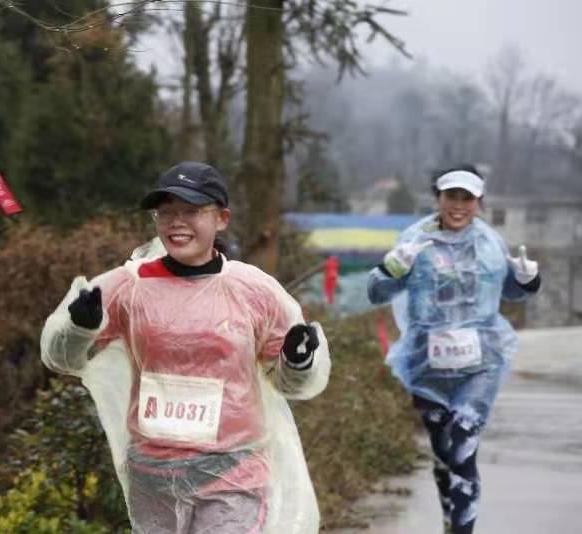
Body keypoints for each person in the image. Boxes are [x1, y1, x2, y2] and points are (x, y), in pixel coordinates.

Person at [41, 161, 332, 533]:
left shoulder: (253, 290)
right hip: (153, 476)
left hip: (232, 471)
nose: (176, 222)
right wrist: (80, 327)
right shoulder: (127, 287)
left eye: (191, 211)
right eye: (165, 212)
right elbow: (63, 359)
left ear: (221, 218)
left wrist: (297, 359)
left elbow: (291, 385)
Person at [367, 165, 541, 534]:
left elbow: (509, 290)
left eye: (468, 198)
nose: (459, 206)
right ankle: (451, 519)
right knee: (444, 450)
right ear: (438, 198)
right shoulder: (416, 239)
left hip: (480, 364)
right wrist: (390, 269)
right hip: (427, 365)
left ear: (479, 202)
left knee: (463, 443)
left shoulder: (489, 242)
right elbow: (377, 292)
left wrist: (528, 281)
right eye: (452, 197)